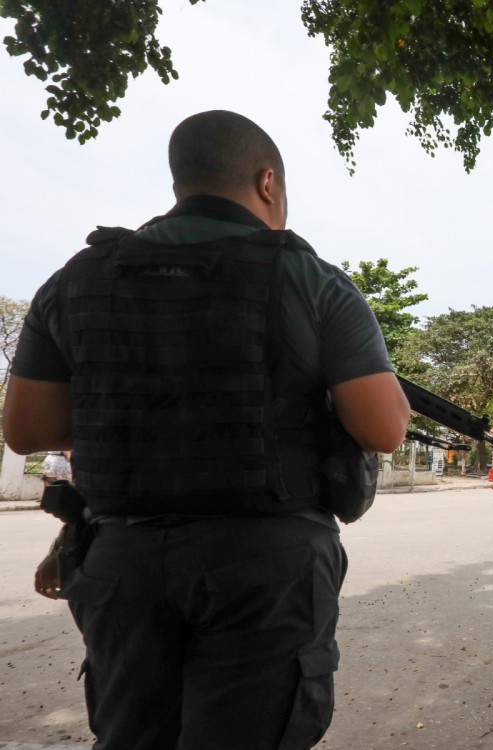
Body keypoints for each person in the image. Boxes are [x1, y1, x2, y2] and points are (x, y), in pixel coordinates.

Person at [2, 110, 410, 749]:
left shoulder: (76, 278)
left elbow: (27, 430)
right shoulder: (309, 278)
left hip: (123, 560)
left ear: (180, 183)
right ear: (267, 182)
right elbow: (383, 428)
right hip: (264, 567)